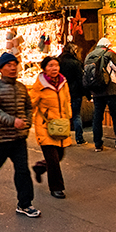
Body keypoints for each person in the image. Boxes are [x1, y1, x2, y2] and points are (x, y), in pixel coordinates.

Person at [0, 52, 39, 217]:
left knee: (23, 171)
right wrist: (12, 121)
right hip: (0, 138)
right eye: (8, 65)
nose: (12, 68)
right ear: (1, 69)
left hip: (18, 138)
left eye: (14, 65)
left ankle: (25, 204)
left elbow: (28, 107)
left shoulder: (21, 87)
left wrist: (27, 123)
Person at [30, 55, 72, 198]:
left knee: (60, 155)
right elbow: (31, 104)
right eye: (50, 66)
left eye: (56, 65)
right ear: (44, 69)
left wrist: (68, 116)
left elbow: (67, 100)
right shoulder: (39, 86)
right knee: (53, 159)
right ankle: (56, 187)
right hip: (45, 126)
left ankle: (40, 167)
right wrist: (23, 120)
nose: (54, 68)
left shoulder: (63, 82)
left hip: (61, 125)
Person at [84, 37, 116, 152]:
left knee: (97, 117)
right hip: (111, 89)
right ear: (108, 45)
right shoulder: (109, 53)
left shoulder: (89, 55)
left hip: (96, 91)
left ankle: (97, 144)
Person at [58, 42, 86, 144]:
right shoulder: (76, 63)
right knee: (76, 115)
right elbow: (80, 79)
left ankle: (64, 137)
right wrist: (86, 93)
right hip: (75, 92)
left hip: (62, 91)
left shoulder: (58, 61)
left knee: (63, 114)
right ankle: (79, 138)